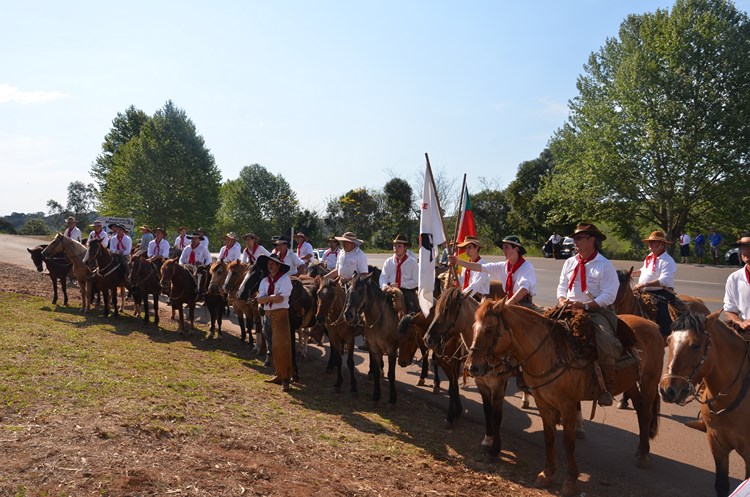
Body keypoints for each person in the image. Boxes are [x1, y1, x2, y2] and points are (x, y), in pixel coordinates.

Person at [556, 223, 621, 407]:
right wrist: (562, 300)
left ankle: (606, 387)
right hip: (567, 308)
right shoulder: (570, 262)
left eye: (578, 238)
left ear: (591, 240)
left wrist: (585, 305)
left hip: (595, 311)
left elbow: (609, 294)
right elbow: (561, 286)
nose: (574, 241)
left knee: (605, 341)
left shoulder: (604, 265)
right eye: (574, 238)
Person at [451, 235, 537, 306]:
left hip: (523, 304)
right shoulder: (503, 266)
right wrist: (457, 261)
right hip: (509, 301)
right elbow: (481, 267)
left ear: (516, 249)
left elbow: (524, 289)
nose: (503, 251)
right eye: (503, 248)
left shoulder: (526, 267)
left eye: (506, 248)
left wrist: (507, 304)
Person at [256, 254, 294, 392]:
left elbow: (280, 298)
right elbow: (260, 300)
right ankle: (278, 374)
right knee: (272, 347)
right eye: (268, 264)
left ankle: (286, 379)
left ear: (279, 266)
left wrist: (267, 298)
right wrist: (271, 297)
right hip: (268, 315)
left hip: (281, 315)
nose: (270, 266)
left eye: (273, 264)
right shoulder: (265, 281)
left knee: (282, 347)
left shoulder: (285, 280)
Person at [632, 231, 678, 337]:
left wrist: (644, 284)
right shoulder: (650, 257)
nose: (649, 244)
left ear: (661, 244)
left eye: (653, 242)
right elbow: (644, 270)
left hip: (661, 292)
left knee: (661, 311)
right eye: (649, 242)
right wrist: (631, 274)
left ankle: (664, 335)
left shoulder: (667, 261)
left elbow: (664, 281)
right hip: (645, 290)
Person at [379, 234, 420, 314]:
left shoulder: (412, 262)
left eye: (399, 246)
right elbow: (383, 277)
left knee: (412, 309)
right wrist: (384, 286)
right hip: (390, 289)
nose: (396, 249)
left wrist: (400, 284)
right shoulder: (389, 261)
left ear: (405, 248)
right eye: (394, 246)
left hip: (406, 290)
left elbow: (415, 281)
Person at [723, 233, 750, 332]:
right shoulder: (734, 278)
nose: (746, 251)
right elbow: (730, 310)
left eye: (749, 246)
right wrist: (741, 323)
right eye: (743, 247)